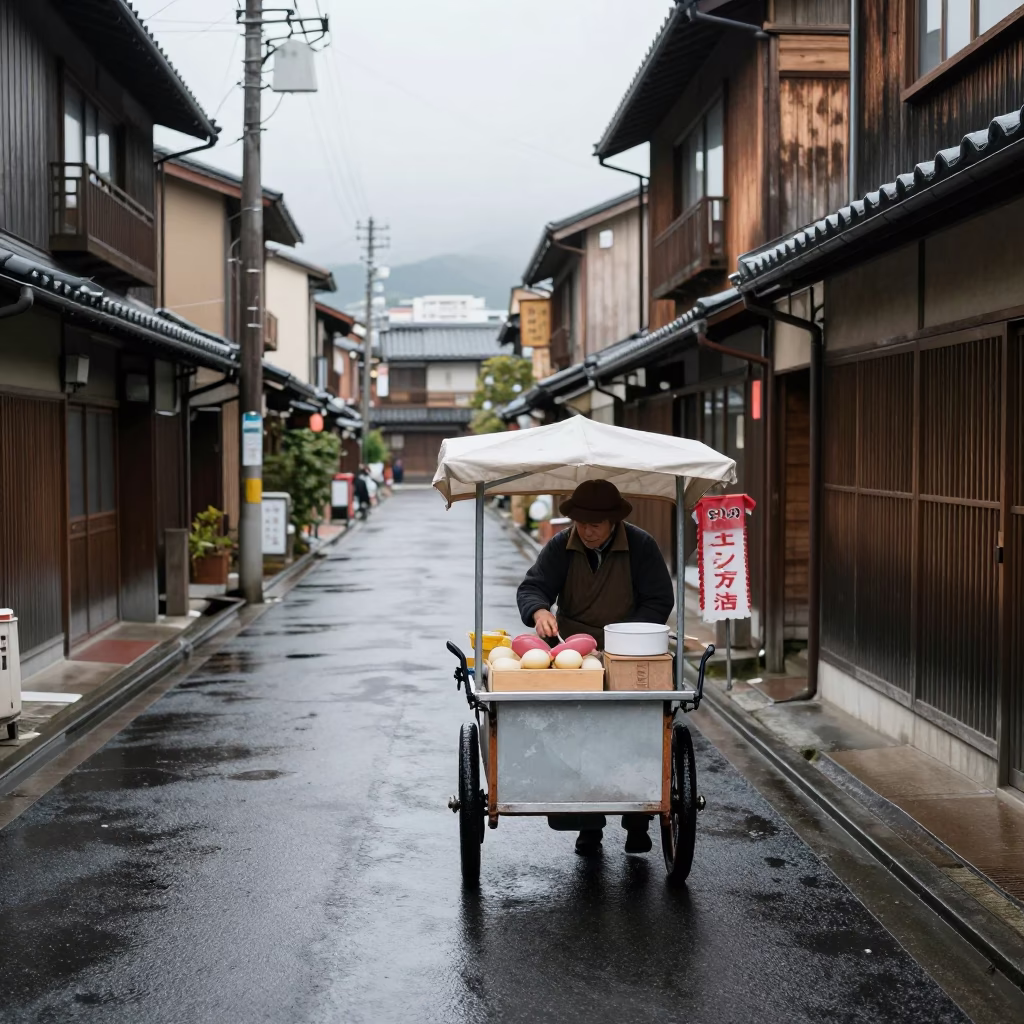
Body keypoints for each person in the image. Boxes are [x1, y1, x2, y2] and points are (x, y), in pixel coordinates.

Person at [516, 479, 674, 857]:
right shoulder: (561, 545)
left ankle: (638, 821)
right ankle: (588, 827)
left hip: (631, 652)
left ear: (613, 522)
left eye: (595, 524)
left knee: (634, 735)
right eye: (581, 523)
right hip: (575, 655)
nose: (586, 531)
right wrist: (539, 611)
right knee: (578, 739)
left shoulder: (641, 546)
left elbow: (658, 601)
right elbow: (532, 587)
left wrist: (620, 640)